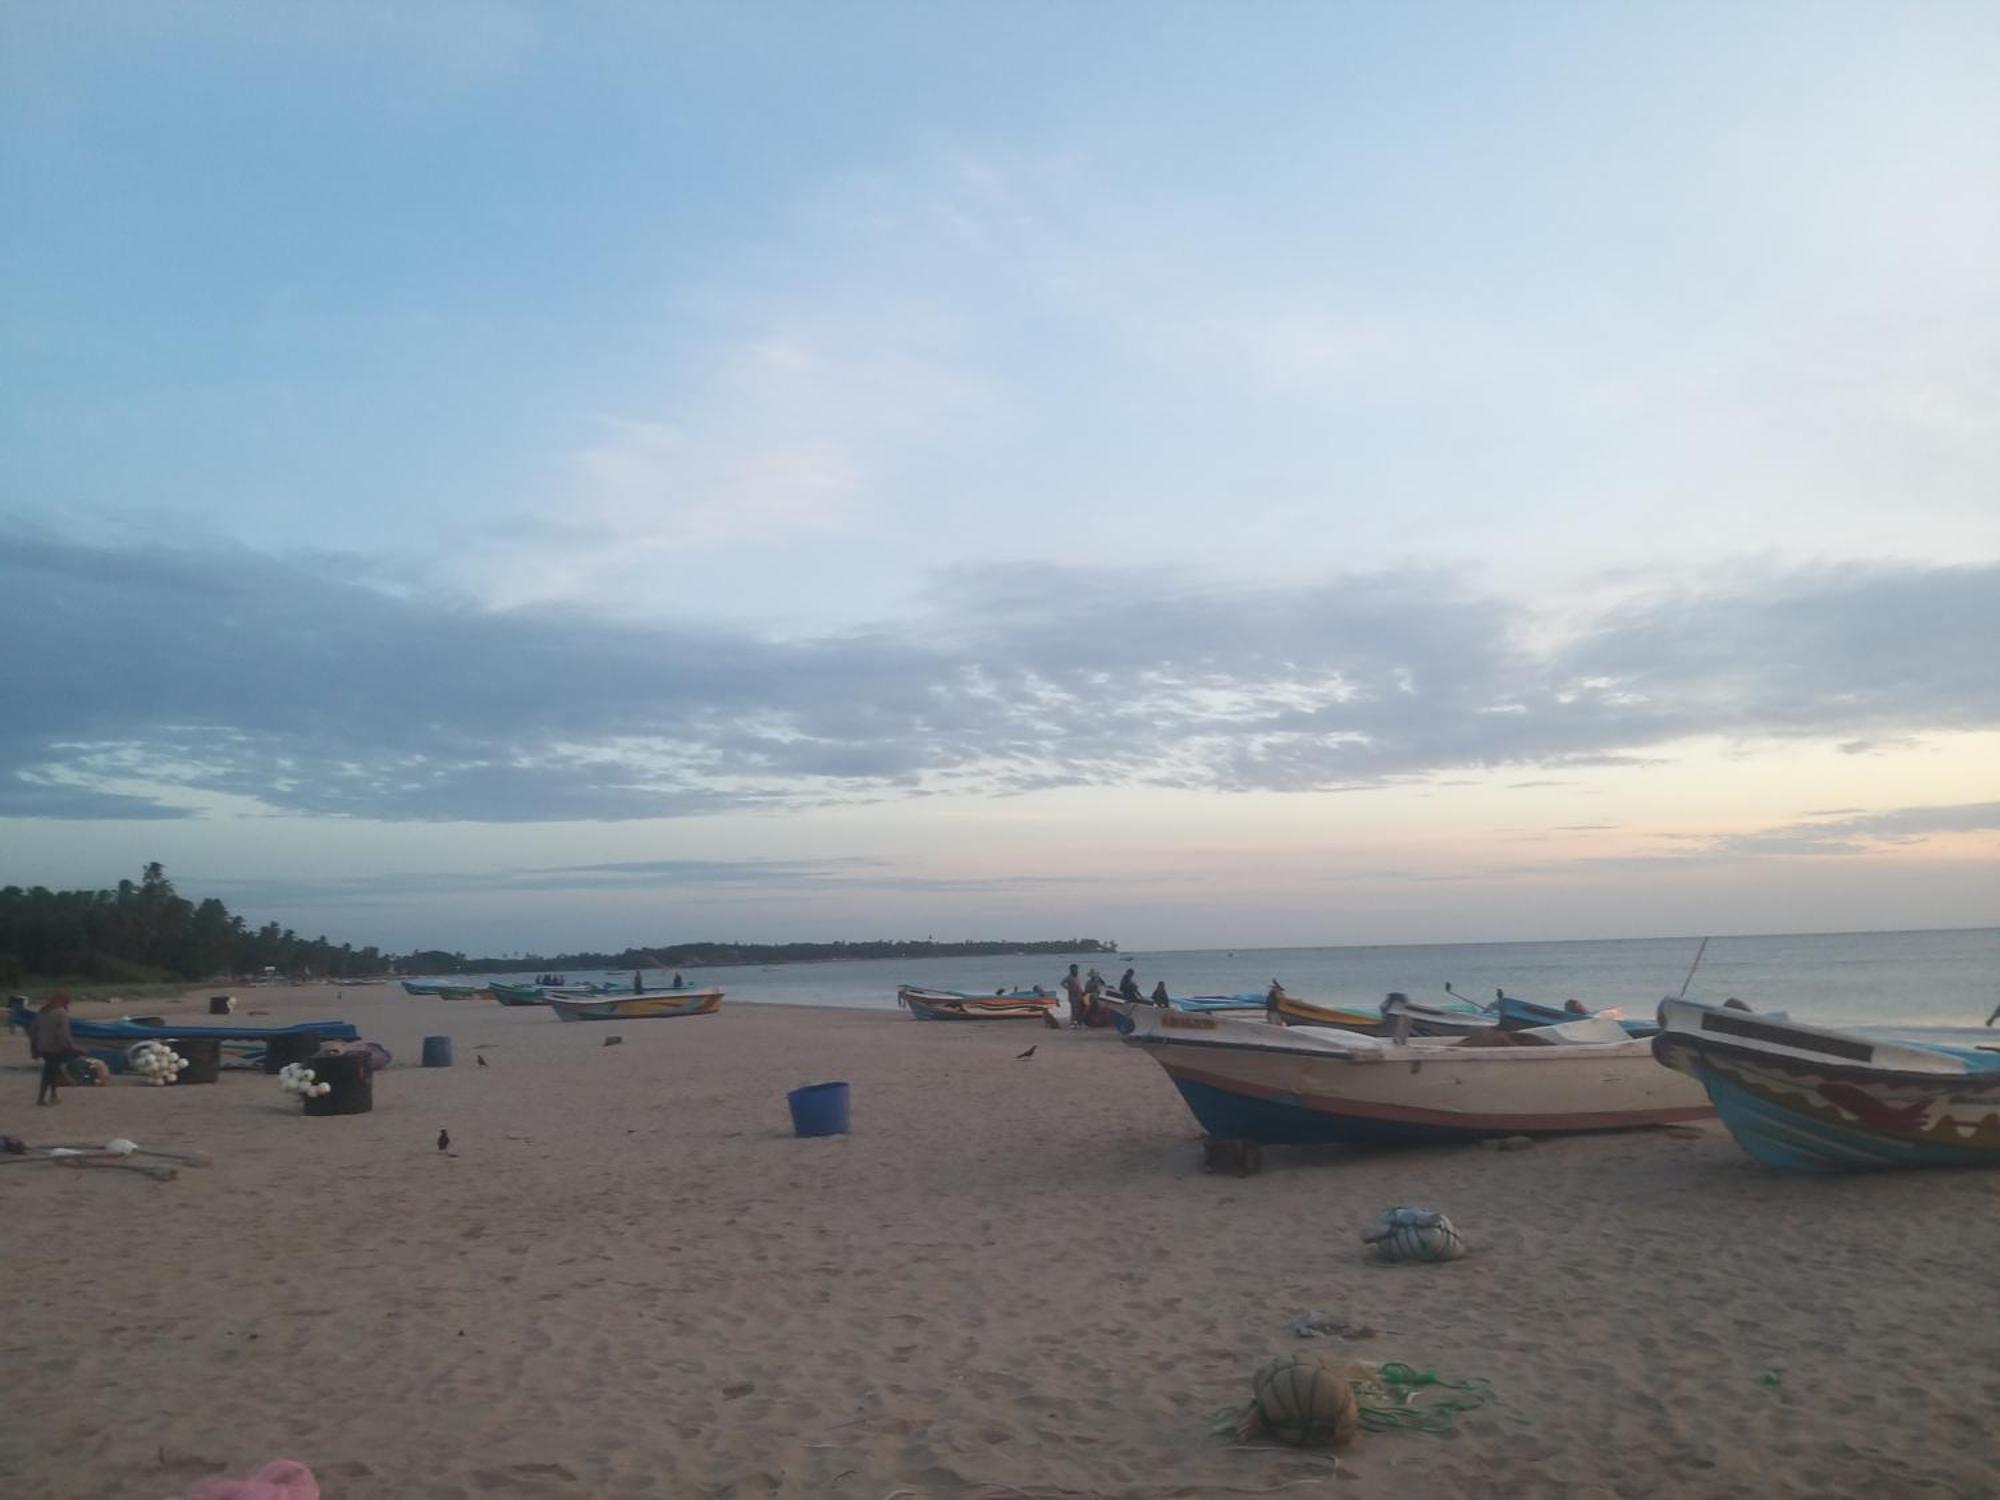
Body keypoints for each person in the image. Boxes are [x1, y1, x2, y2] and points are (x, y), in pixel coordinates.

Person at [32, 992, 82, 1107]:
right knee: (49, 1072)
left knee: (53, 1070)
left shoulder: (42, 1011)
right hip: (54, 1047)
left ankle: (53, 1096)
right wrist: (72, 1047)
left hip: (42, 1047)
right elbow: (64, 1034)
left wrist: (34, 1049)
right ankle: (41, 1099)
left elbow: (33, 1030)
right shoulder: (61, 1013)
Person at [1059, 964, 1085, 1028]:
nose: (1075, 970)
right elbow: (1062, 983)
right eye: (1074, 969)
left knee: (1080, 1009)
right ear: (1071, 970)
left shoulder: (1077, 976)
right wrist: (1069, 988)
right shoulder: (1069, 977)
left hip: (1079, 994)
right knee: (1074, 1010)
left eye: (1076, 969)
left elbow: (1079, 985)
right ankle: (1072, 1023)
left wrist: (1082, 992)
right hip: (1073, 995)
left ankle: (1078, 1022)